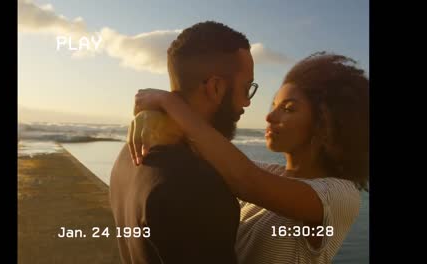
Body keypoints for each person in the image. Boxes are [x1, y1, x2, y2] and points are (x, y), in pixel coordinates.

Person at [128, 52, 369, 263]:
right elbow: (210, 153)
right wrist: (155, 117)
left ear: (325, 123)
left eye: (288, 108)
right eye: (273, 105)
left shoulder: (340, 196)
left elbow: (245, 180)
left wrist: (169, 102)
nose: (269, 117)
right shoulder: (270, 173)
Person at [110, 21, 256, 263]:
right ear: (216, 87)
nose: (247, 102)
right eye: (246, 87)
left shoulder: (127, 156)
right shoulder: (198, 185)